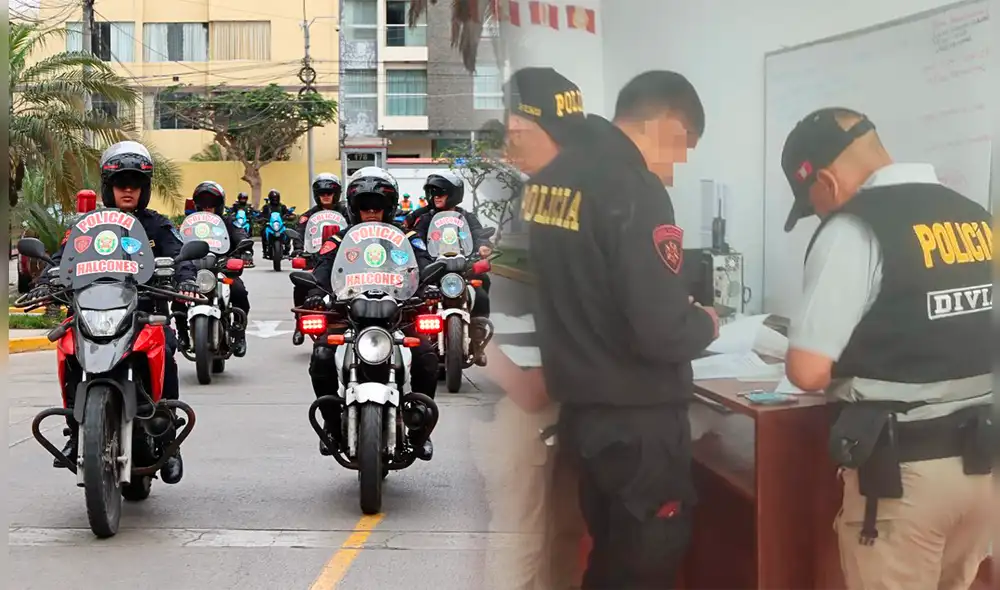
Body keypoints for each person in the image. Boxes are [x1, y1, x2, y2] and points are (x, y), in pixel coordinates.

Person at [519, 67, 719, 588]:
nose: (675, 169)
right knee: (643, 565)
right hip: (639, 428)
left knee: (610, 556)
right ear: (671, 126)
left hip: (586, 420)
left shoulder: (552, 179)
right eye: (683, 150)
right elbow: (660, 330)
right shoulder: (634, 187)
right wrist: (704, 322)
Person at [780, 108, 992, 590]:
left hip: (905, 481)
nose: (821, 215)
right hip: (985, 472)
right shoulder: (977, 217)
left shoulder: (853, 229)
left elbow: (808, 371)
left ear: (828, 182)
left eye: (814, 204)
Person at [35, 140, 196, 484]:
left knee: (165, 345)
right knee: (68, 351)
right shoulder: (87, 226)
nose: (128, 189)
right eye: (121, 183)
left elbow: (181, 256)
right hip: (92, 310)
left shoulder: (157, 226)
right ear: (108, 188)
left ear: (145, 188)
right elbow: (62, 259)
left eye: (135, 183)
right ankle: (75, 433)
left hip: (144, 313)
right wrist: (44, 282)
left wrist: (188, 279)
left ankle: (167, 434)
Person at [302, 166, 439, 459]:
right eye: (365, 207)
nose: (372, 212)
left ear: (389, 209)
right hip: (348, 312)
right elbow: (322, 271)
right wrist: (316, 294)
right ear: (354, 209)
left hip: (400, 312)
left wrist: (429, 286)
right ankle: (331, 423)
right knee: (323, 354)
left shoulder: (409, 237)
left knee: (427, 354)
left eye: (378, 207)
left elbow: (424, 264)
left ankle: (420, 426)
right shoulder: (339, 241)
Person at [413, 170, 494, 365]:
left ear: (453, 193)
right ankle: (416, 341)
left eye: (440, 192)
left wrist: (483, 245)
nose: (436, 197)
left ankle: (477, 334)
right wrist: (417, 252)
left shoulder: (466, 217)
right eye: (433, 193)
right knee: (415, 294)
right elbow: (414, 236)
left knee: (482, 286)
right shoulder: (424, 217)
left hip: (461, 267)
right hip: (433, 267)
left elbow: (478, 234)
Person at [174, 181, 251, 357]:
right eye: (203, 203)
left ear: (220, 205)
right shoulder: (188, 225)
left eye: (212, 203)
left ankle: (239, 335)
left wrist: (245, 250)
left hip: (220, 268)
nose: (208, 207)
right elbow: (178, 241)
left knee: (239, 291)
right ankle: (182, 334)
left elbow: (240, 234)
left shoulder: (227, 223)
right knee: (178, 294)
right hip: (193, 269)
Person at [259, 189, 290, 259]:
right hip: (269, 225)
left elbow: (287, 213)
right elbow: (261, 214)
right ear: (270, 198)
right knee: (263, 232)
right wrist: (261, 218)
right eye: (273, 198)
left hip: (280, 225)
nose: (275, 199)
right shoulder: (266, 207)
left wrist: (289, 216)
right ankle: (264, 250)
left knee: (288, 232)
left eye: (276, 198)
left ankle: (287, 249)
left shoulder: (282, 206)